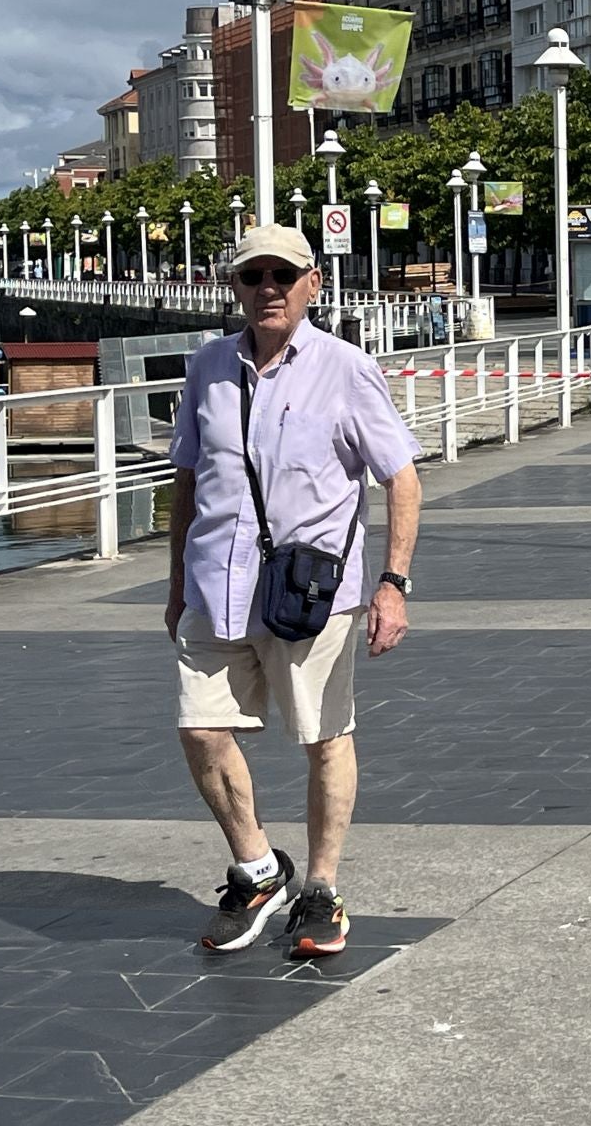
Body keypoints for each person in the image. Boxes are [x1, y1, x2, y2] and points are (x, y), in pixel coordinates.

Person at [167, 225, 423, 958]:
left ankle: (320, 888)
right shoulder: (208, 367)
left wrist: (393, 584)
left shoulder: (345, 369)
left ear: (313, 282)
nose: (268, 288)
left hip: (308, 597)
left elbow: (401, 477)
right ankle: (256, 869)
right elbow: (187, 478)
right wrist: (177, 580)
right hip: (215, 591)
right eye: (254, 276)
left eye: (284, 274)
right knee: (200, 729)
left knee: (322, 739)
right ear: (235, 287)